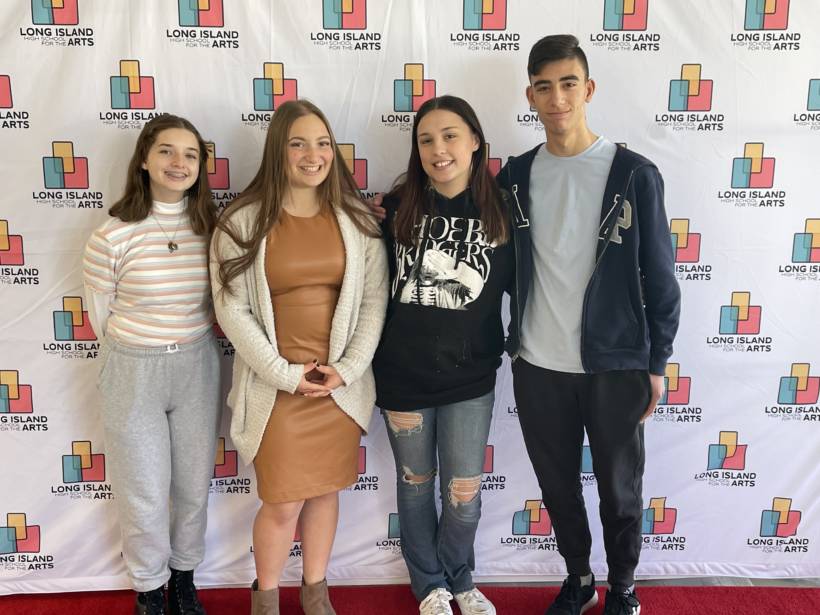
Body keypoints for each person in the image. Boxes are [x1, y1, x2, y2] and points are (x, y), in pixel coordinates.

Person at [496, 35, 681, 615]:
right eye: (544, 87)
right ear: (530, 95)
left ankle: (623, 587)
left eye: (568, 84)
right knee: (557, 487)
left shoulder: (632, 173)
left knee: (620, 490)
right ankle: (578, 579)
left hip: (616, 364)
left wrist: (657, 362)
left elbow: (661, 277)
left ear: (588, 89)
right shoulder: (515, 178)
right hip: (538, 364)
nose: (557, 98)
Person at [210, 100, 387, 615]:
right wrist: (283, 374)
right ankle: (265, 600)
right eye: (298, 143)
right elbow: (232, 308)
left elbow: (375, 301)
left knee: (325, 492)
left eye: (323, 143)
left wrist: (347, 370)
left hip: (338, 389)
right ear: (277, 151)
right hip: (275, 390)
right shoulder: (241, 222)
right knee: (283, 500)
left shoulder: (356, 220)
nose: (313, 155)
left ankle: (316, 594)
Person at [373, 95, 519, 615]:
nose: (439, 150)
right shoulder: (394, 208)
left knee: (463, 494)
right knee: (415, 488)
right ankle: (428, 584)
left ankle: (460, 577)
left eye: (451, 135)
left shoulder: (504, 212)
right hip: (401, 378)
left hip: (471, 380)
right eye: (427, 139)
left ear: (476, 140)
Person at [83, 114, 221, 615]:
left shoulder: (212, 227)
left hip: (196, 367)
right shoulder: (113, 234)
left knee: (191, 486)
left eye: (190, 154)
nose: (178, 162)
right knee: (142, 490)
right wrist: (143, 348)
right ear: (144, 159)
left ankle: (183, 579)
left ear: (201, 165)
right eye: (166, 151)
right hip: (133, 369)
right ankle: (148, 588)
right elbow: (102, 313)